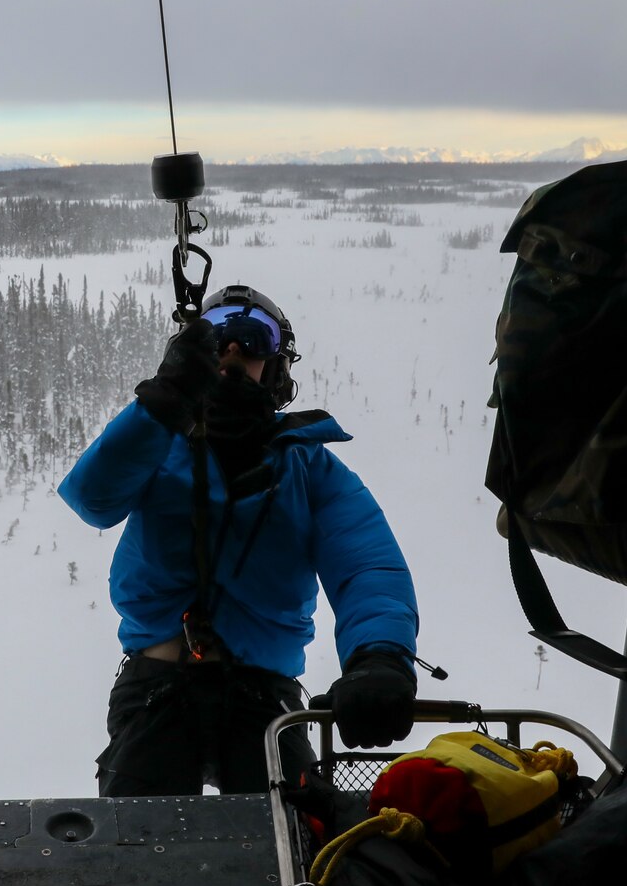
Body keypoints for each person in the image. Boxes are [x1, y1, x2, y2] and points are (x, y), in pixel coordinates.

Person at [58, 284, 420, 796]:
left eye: (252, 339)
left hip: (264, 697)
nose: (232, 351)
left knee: (291, 850)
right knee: (139, 855)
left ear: (274, 366)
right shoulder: (156, 441)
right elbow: (93, 498)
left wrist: (379, 656)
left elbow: (367, 566)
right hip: (156, 685)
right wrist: (161, 404)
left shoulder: (309, 467)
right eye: (218, 337)